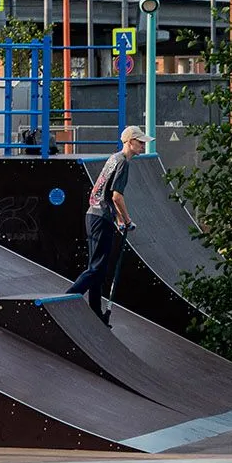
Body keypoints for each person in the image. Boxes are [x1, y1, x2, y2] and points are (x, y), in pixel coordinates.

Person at [66, 125, 148, 324]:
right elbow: (116, 196)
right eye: (140, 142)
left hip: (93, 215)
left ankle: (96, 314)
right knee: (96, 269)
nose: (143, 146)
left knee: (97, 269)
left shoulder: (113, 158)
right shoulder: (124, 163)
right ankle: (66, 301)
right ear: (130, 142)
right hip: (101, 218)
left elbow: (101, 193)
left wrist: (118, 220)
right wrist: (127, 220)